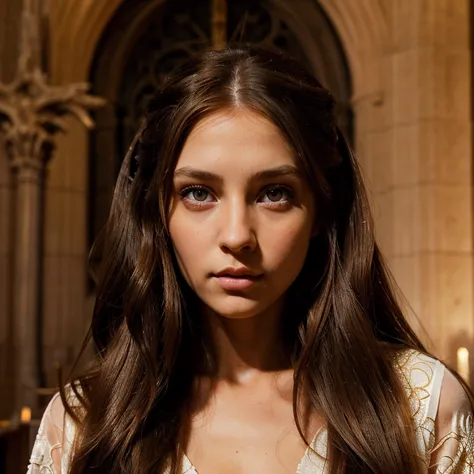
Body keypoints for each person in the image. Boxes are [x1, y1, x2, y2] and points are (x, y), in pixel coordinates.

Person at [28, 46, 474, 474]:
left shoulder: (421, 408)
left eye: (274, 193)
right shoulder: (84, 426)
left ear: (321, 209)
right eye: (198, 193)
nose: (238, 235)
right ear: (158, 212)